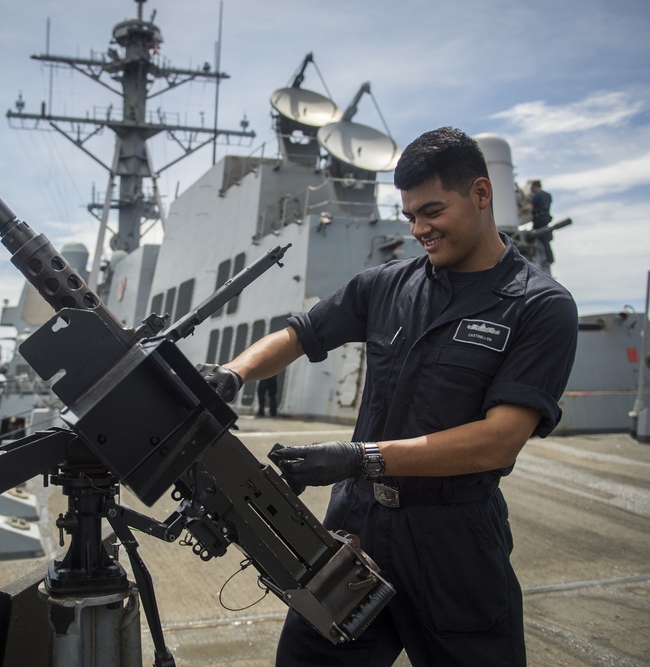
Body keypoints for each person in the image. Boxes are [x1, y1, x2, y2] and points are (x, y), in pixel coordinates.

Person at [199, 127, 578, 667]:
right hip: (356, 532)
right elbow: (299, 335)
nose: (420, 229)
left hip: (456, 541)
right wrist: (233, 374)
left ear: (481, 193)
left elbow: (499, 441)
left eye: (432, 211)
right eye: (409, 218)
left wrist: (360, 457)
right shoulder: (384, 286)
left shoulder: (539, 306)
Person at [520, 180, 554, 272]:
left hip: (539, 221)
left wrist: (521, 210)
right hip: (546, 221)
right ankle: (550, 259)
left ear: (534, 187)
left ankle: (546, 260)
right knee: (546, 242)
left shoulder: (537, 196)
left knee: (540, 241)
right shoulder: (548, 195)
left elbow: (530, 207)